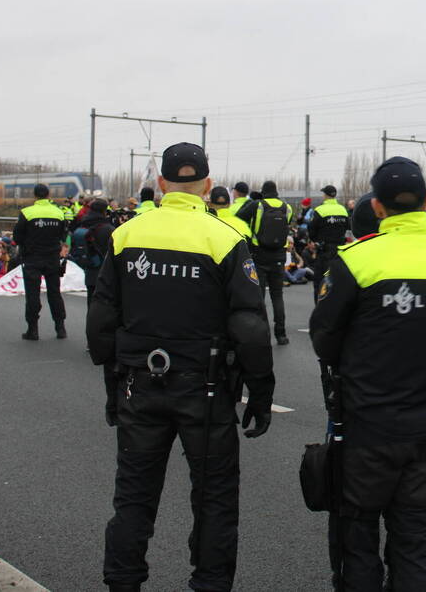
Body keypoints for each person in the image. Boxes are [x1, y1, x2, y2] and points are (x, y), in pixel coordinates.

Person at [87, 142, 274, 592]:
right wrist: (261, 392)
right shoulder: (225, 238)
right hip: (205, 390)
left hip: (137, 382)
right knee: (214, 499)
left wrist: (111, 382)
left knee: (133, 496)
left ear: (162, 184)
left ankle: (122, 583)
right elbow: (249, 326)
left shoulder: (127, 233)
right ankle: (209, 584)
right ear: (208, 186)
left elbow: (101, 318)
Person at [310, 156, 426, 592]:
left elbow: (324, 340)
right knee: (420, 540)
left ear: (379, 207)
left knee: (358, 535)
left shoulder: (356, 260)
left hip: (367, 427)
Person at [236, 181, 294, 345]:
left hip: (259, 255)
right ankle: (281, 335)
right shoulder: (287, 208)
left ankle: (261, 333)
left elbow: (239, 218)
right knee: (278, 296)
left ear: (263, 192)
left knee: (259, 296)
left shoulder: (257, 205)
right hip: (279, 256)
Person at [13, 183, 68, 340]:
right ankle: (60, 328)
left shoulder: (26, 212)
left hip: (32, 258)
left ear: (35, 195)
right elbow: (63, 235)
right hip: (52, 257)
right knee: (54, 293)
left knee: (32, 294)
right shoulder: (58, 213)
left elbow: (17, 237)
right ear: (49, 195)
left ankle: (33, 330)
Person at [307, 184, 349, 302]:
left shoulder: (320, 210)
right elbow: (348, 228)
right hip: (340, 253)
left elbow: (311, 231)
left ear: (325, 195)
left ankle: (320, 309)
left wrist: (316, 241)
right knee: (337, 282)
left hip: (324, 252)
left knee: (320, 283)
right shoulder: (343, 210)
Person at [72, 198, 115, 307]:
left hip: (90, 271)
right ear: (104, 211)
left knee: (91, 303)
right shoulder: (107, 229)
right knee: (104, 306)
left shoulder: (84, 224)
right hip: (105, 274)